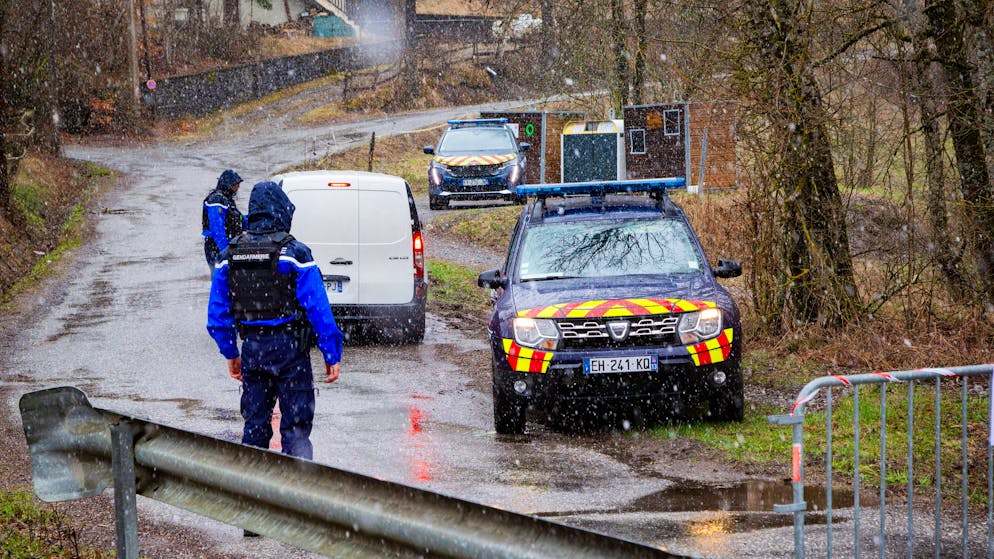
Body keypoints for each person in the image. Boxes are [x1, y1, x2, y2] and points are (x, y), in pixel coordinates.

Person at [206, 181, 343, 463]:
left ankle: (253, 494)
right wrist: (331, 352)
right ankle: (297, 495)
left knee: (254, 429)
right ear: (282, 210)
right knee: (295, 433)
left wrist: (231, 353)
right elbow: (318, 309)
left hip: (253, 350)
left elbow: (218, 316)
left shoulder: (228, 255)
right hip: (291, 351)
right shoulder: (296, 254)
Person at [202, 169, 247, 268]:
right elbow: (216, 228)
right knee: (221, 279)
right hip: (216, 248)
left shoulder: (228, 201)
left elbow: (241, 220)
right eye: (236, 185)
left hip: (227, 246)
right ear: (229, 185)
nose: (237, 188)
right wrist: (225, 252)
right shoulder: (216, 200)